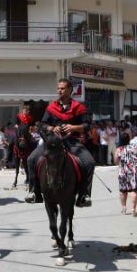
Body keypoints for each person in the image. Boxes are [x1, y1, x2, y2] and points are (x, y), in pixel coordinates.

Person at [25, 78, 95, 207]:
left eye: (62, 88)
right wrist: (52, 128)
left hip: (72, 141)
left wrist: (74, 128)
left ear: (70, 90)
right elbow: (43, 125)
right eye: (58, 88)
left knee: (89, 162)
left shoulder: (79, 107)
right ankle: (34, 191)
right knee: (30, 159)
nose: (59, 91)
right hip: (53, 142)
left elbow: (87, 125)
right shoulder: (51, 107)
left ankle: (84, 195)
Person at [114, 132, 137, 217]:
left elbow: (116, 161)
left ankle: (123, 207)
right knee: (134, 190)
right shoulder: (136, 148)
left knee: (123, 190)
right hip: (134, 170)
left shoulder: (118, 149)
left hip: (123, 171)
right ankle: (133, 209)